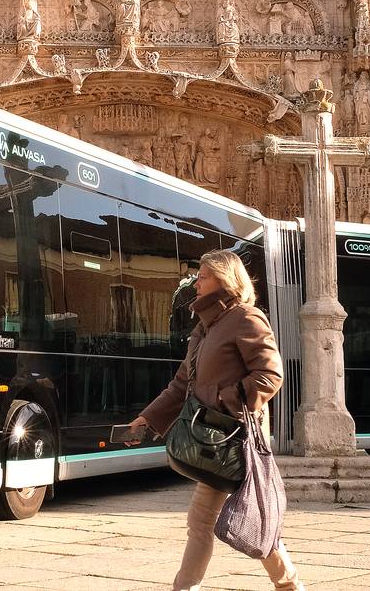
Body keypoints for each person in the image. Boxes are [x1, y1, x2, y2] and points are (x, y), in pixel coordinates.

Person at [125, 250, 303, 591]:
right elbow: (181, 384)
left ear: (224, 279)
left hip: (235, 439)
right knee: (231, 521)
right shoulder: (204, 329)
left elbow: (270, 375)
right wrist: (146, 420)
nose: (197, 282)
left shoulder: (246, 318)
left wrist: (224, 398)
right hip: (212, 439)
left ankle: (286, 585)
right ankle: (287, 585)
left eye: (204, 276)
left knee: (229, 521)